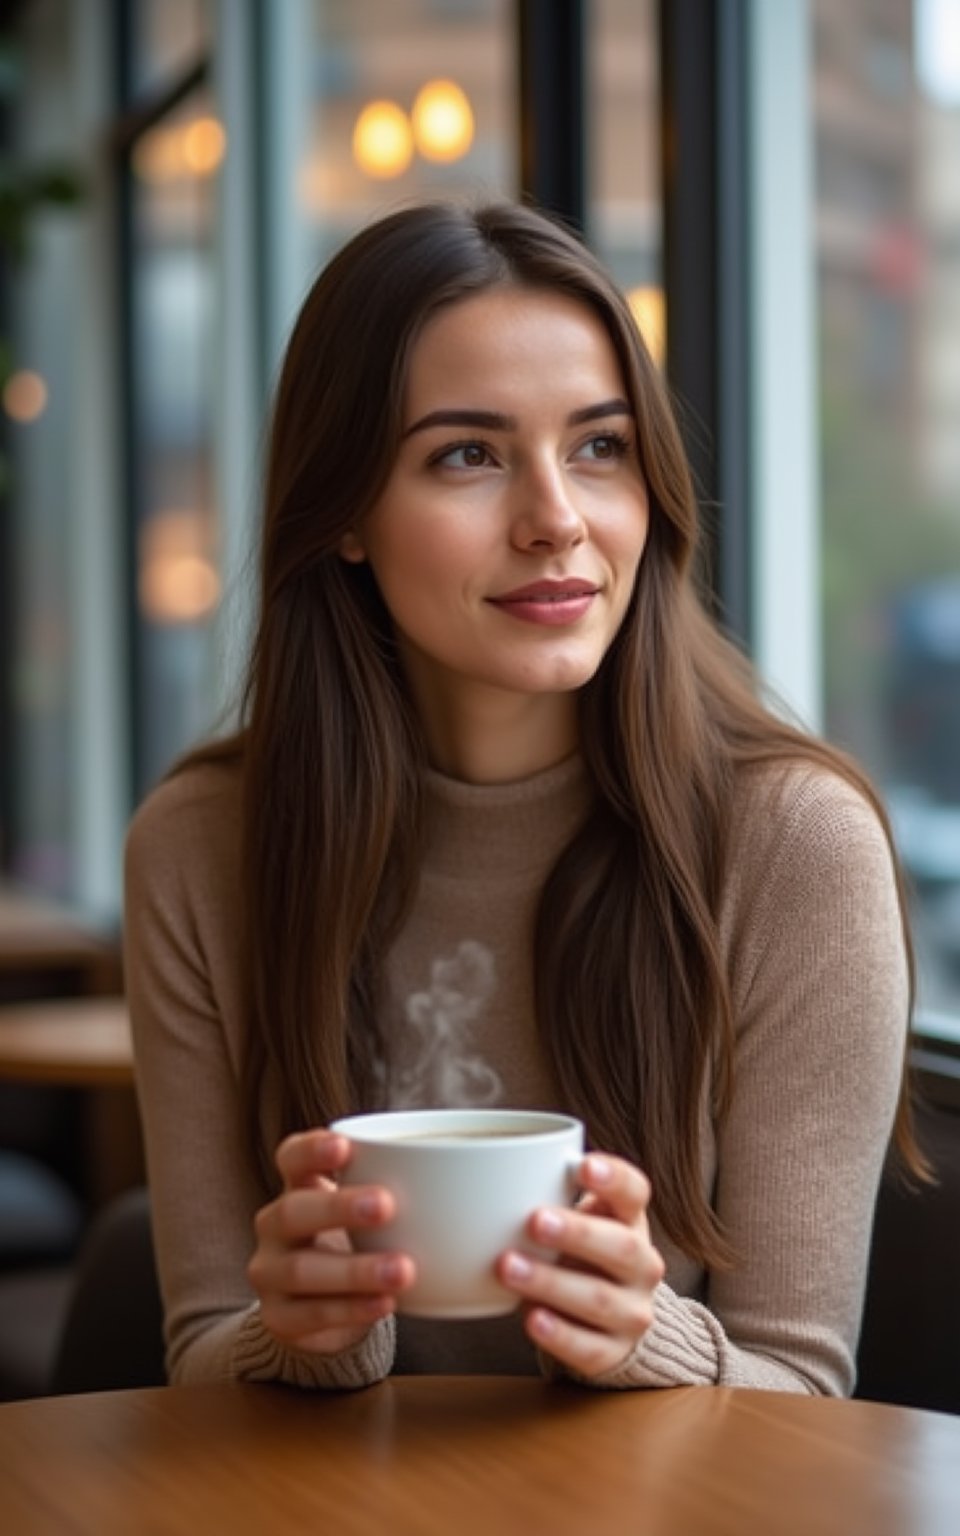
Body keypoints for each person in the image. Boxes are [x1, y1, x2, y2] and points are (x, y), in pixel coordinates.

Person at [125, 199, 924, 1396]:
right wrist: (298, 1335)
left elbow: (801, 1387)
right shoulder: (201, 850)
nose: (556, 519)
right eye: (468, 454)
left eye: (599, 447)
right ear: (343, 509)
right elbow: (201, 1352)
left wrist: (643, 1339)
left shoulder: (796, 844)